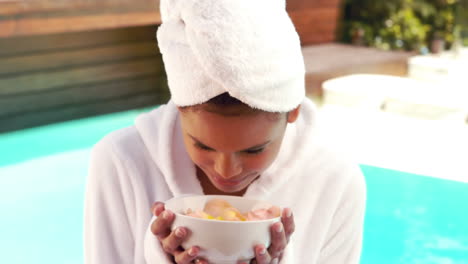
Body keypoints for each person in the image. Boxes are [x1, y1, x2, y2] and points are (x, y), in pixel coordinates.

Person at [84, 0, 366, 263]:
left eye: (254, 149)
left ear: (292, 111)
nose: (227, 172)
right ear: (180, 110)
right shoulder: (121, 162)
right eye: (203, 146)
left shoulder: (335, 181)